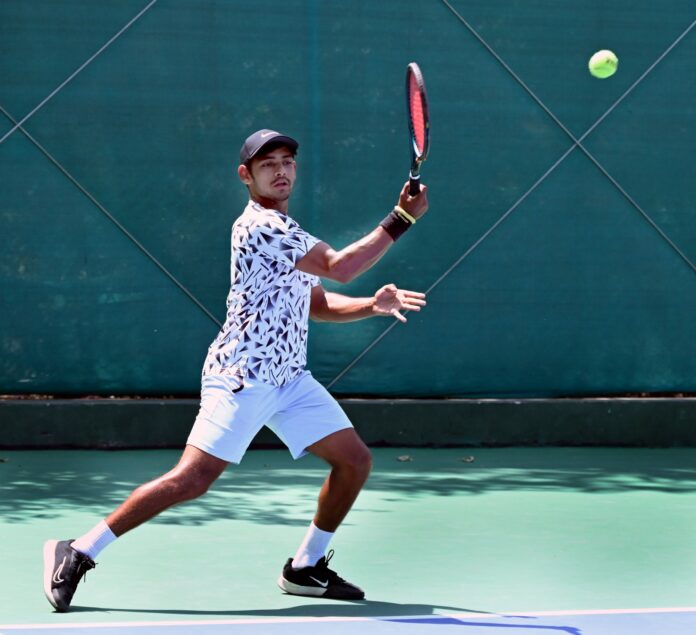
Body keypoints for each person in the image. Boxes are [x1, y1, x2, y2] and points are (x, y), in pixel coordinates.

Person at [43, 129, 429, 612]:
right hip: (242, 376)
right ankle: (79, 550)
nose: (281, 171)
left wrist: (371, 305)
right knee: (192, 480)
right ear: (246, 176)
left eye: (287, 161)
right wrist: (400, 219)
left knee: (354, 461)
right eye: (268, 164)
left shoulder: (290, 230)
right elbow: (341, 267)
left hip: (289, 378)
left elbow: (317, 303)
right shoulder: (261, 227)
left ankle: (305, 568)